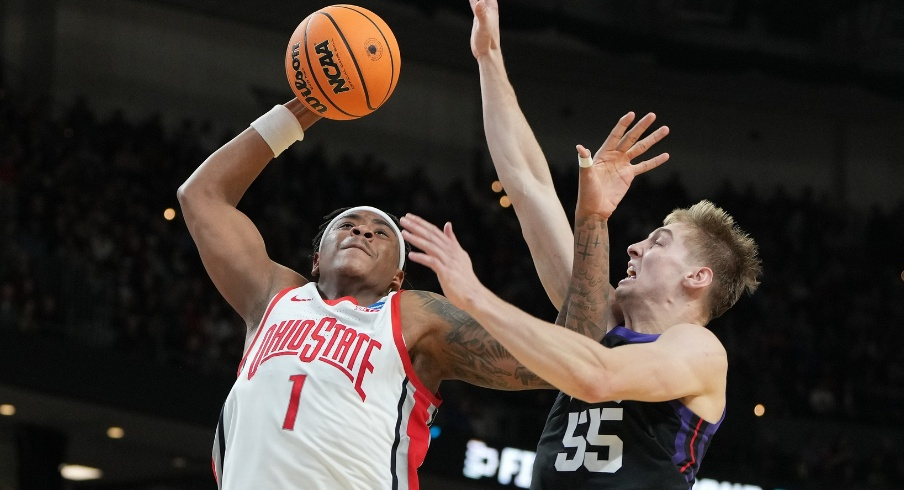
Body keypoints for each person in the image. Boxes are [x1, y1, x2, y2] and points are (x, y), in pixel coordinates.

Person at [399, 2, 762, 488]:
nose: (634, 248)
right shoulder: (600, 316)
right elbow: (529, 188)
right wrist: (490, 59)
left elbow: (598, 377)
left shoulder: (698, 350)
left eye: (658, 242)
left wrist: (476, 297)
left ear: (697, 277)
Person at [177, 97, 586, 489]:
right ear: (316, 259)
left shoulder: (415, 316)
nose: (363, 230)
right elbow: (201, 196)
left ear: (397, 276)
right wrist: (306, 108)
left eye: (381, 232)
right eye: (348, 224)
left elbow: (567, 356)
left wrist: (593, 222)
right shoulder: (274, 295)